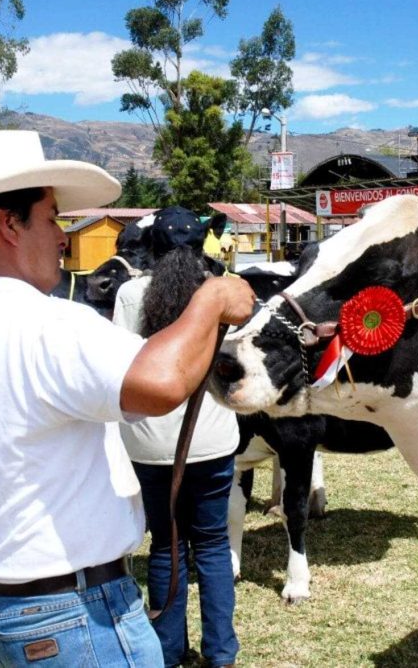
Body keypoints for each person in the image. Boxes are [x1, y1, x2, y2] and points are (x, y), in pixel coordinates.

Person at [0, 130, 255, 667]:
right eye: (51, 216)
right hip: (77, 611)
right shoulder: (45, 321)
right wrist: (212, 298)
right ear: (8, 224)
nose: (61, 236)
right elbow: (162, 383)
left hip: (11, 606)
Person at [114, 207, 239, 668]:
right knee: (211, 544)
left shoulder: (131, 294)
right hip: (212, 438)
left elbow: (122, 362)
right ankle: (221, 652)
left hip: (148, 441)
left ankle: (169, 652)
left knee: (166, 545)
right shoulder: (219, 293)